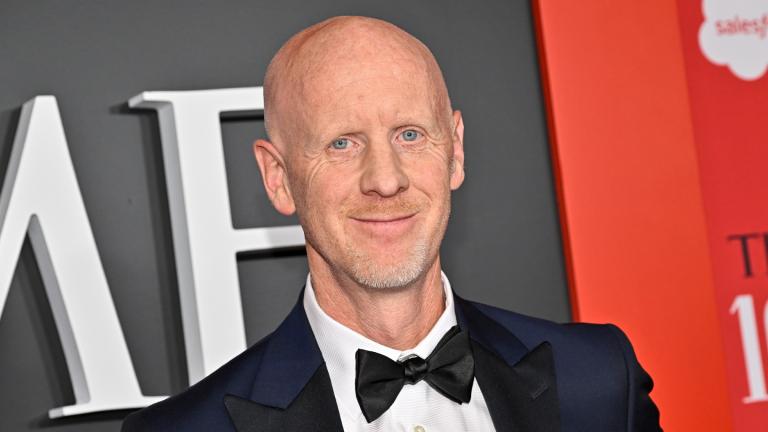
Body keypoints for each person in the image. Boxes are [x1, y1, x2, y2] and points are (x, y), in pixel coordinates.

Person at [121, 16, 661, 432]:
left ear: (455, 151)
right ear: (278, 177)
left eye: (409, 135)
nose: (385, 180)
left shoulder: (596, 380)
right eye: (342, 143)